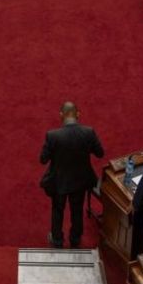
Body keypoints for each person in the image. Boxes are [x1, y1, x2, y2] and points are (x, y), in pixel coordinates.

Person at [40, 102, 103, 248]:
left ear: (61, 115)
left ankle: (57, 240)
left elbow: (43, 159)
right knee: (77, 210)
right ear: (78, 114)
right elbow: (100, 153)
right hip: (80, 181)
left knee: (57, 210)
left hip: (59, 181)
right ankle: (75, 239)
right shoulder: (89, 132)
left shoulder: (52, 135)